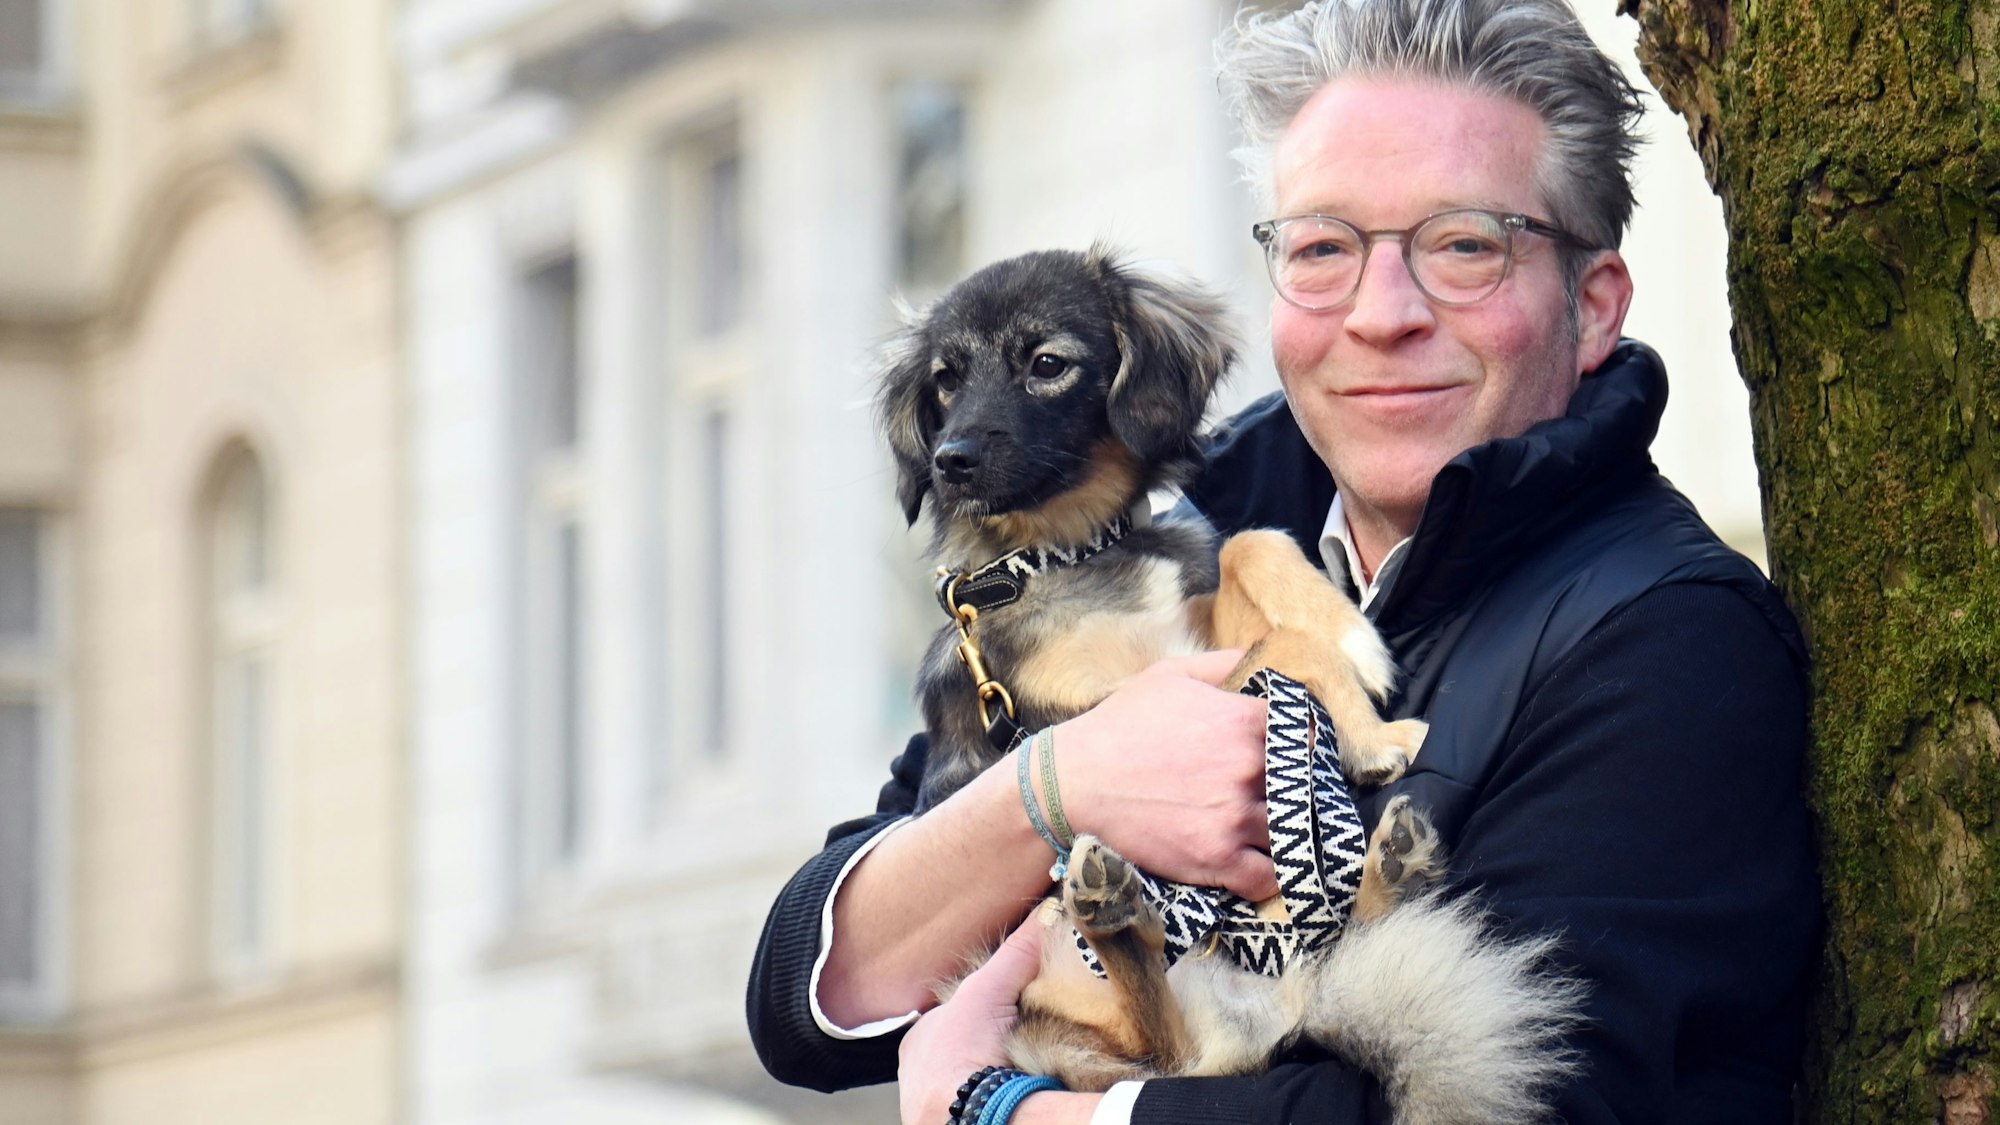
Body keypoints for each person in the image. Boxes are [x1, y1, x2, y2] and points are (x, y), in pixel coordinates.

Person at [746, 1, 1820, 1122]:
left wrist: (1013, 1113)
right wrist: (1058, 788)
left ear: (1590, 307)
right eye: (1322, 249)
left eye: (1463, 247)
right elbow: (809, 989)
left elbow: (1523, 1097)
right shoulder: (1157, 533)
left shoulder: (1672, 641)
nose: (1381, 312)